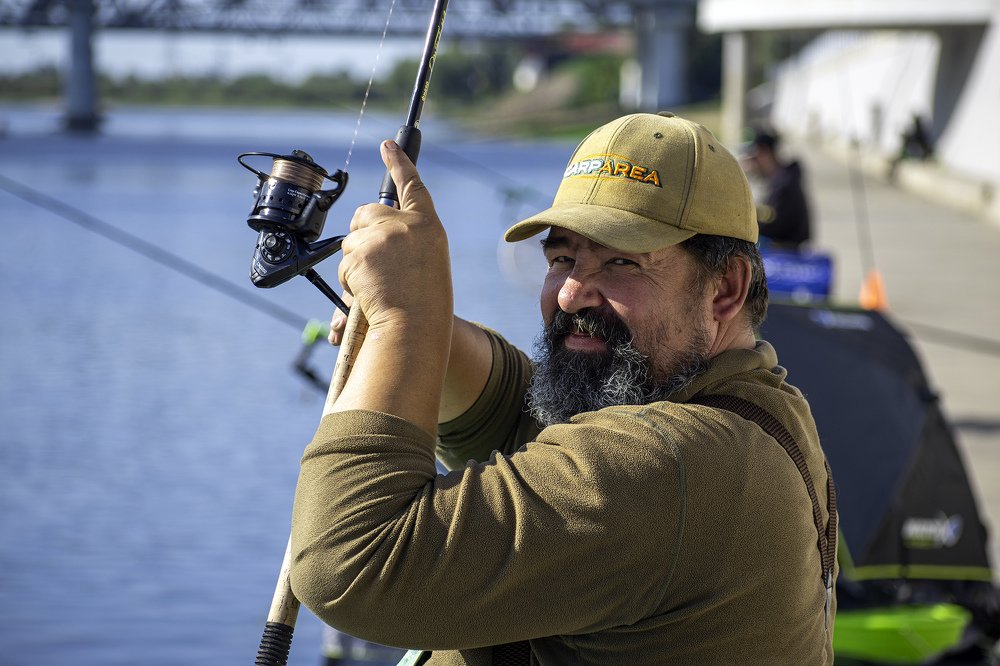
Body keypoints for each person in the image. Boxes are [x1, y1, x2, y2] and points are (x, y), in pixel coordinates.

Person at [289, 112, 838, 665]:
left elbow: (350, 563)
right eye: (562, 258)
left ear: (725, 289)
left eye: (621, 262)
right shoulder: (752, 403)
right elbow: (520, 418)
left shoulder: (673, 467)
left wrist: (401, 322)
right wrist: (425, 327)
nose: (572, 294)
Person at [742, 128, 812, 252]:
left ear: (764, 154)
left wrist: (741, 178)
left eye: (754, 158)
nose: (752, 164)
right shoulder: (782, 180)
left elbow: (766, 226)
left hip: (788, 254)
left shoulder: (785, 186)